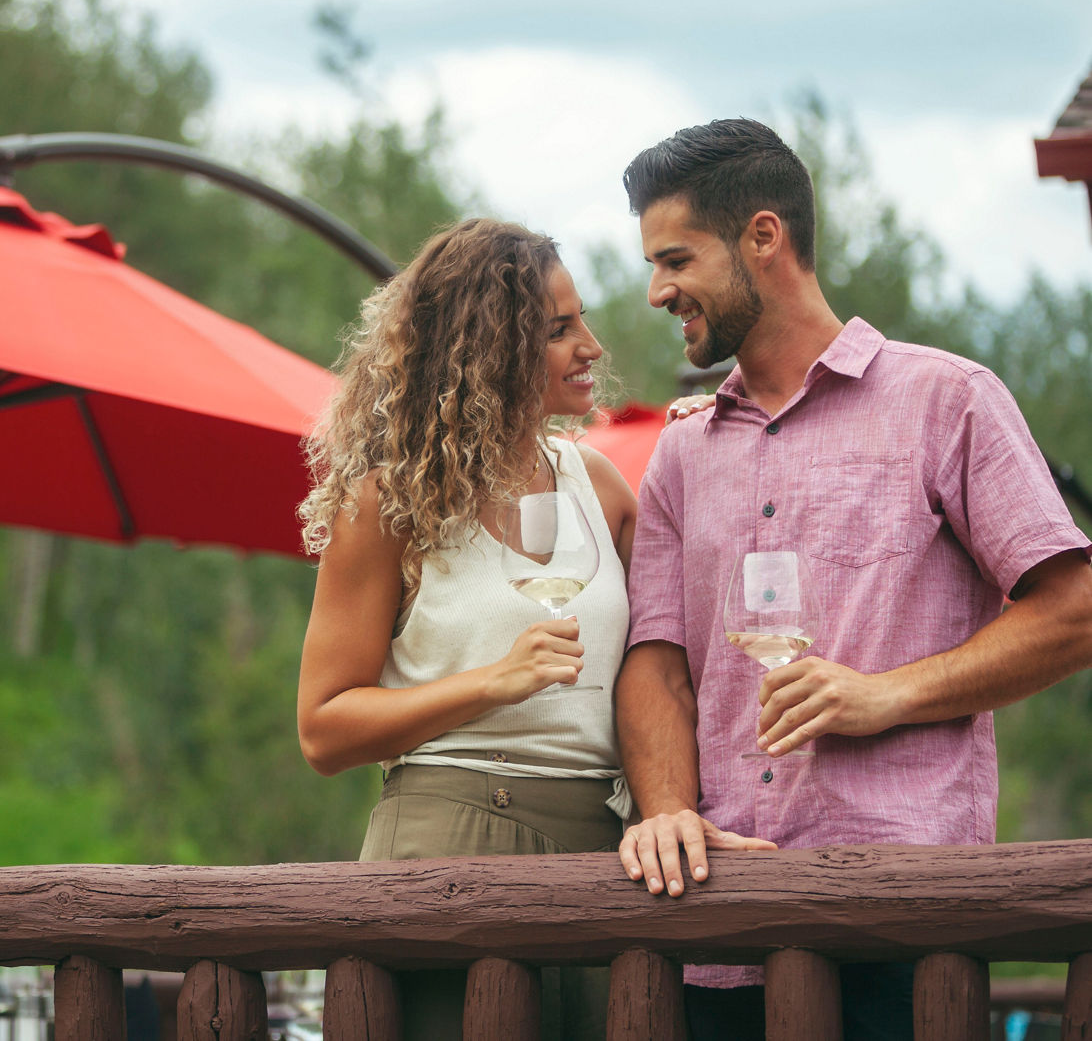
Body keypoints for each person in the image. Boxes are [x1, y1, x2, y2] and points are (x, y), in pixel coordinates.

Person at [613, 119, 1092, 1041]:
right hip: (721, 927)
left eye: (675, 258)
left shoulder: (947, 399)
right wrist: (668, 809)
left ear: (764, 236)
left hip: (905, 927)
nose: (656, 290)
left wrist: (886, 695)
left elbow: (1073, 612)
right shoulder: (678, 455)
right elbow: (655, 661)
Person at [296, 218, 637, 1041]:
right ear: (487, 348)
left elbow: (657, 672)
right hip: (446, 838)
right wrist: (492, 682)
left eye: (581, 320)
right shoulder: (389, 505)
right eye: (557, 330)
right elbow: (324, 727)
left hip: (603, 852)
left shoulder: (603, 487)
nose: (590, 346)